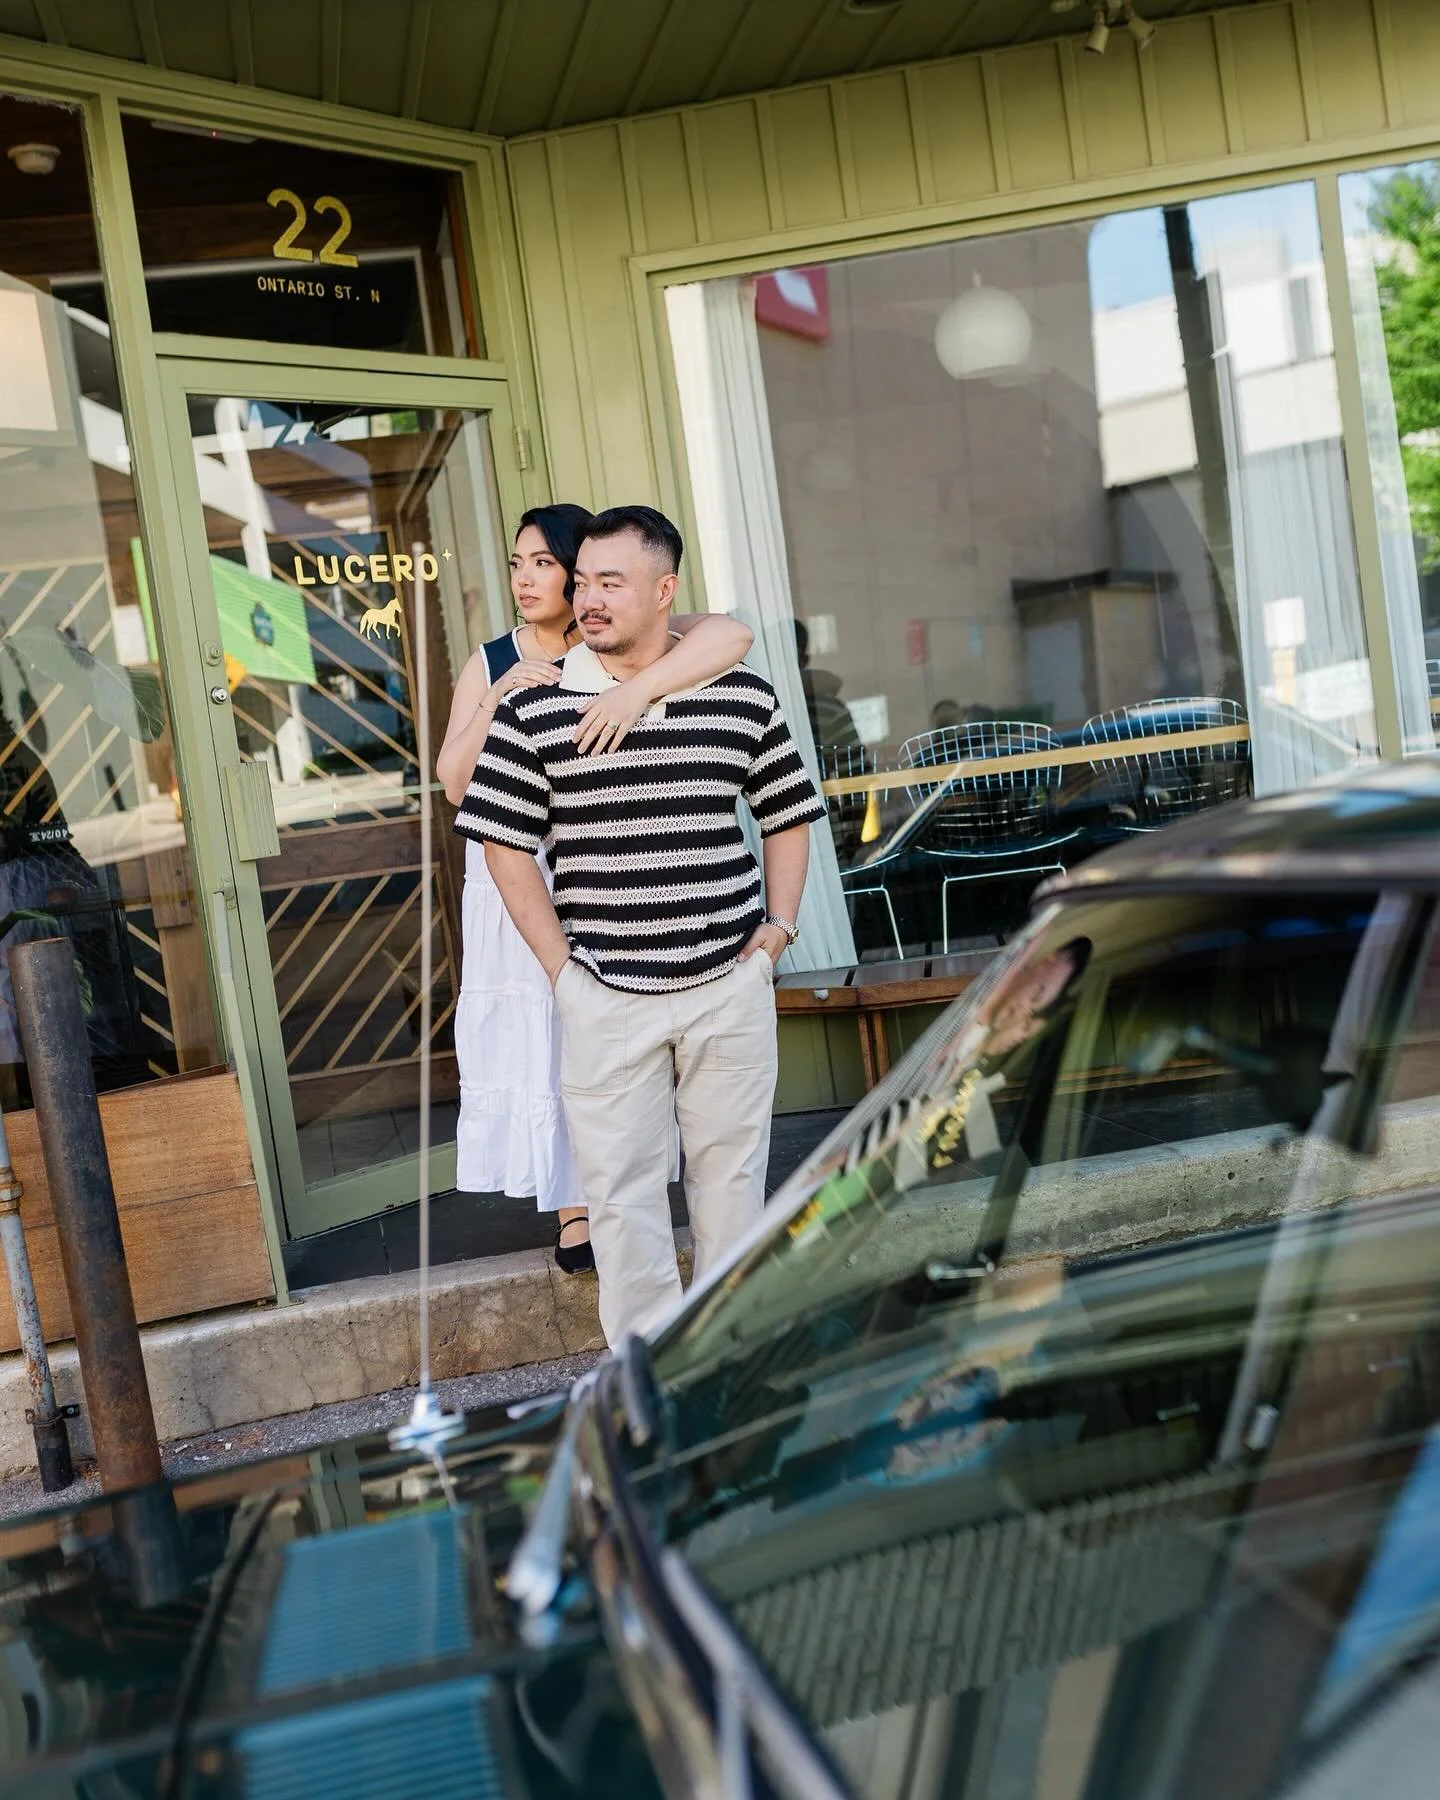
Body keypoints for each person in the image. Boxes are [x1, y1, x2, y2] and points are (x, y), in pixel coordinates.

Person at [457, 504, 826, 1344]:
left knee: (733, 1189)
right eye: (580, 581)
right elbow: (502, 847)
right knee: (622, 1208)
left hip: (728, 983)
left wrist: (777, 933)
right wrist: (563, 973)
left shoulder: (738, 692)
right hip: (605, 994)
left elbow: (788, 813)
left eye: (609, 583)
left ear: (665, 592)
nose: (587, 599)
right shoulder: (536, 707)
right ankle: (649, 1382)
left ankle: (734, 1360)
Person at [437, 503, 752, 1275]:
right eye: (518, 563)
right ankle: (574, 1207)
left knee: (601, 1038)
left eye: (546, 563)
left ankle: (625, 1199)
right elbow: (452, 783)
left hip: (594, 858)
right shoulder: (491, 658)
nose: (528, 579)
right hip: (511, 862)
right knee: (551, 1034)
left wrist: (634, 694)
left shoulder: (614, 642)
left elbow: (732, 636)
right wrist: (502, 693)